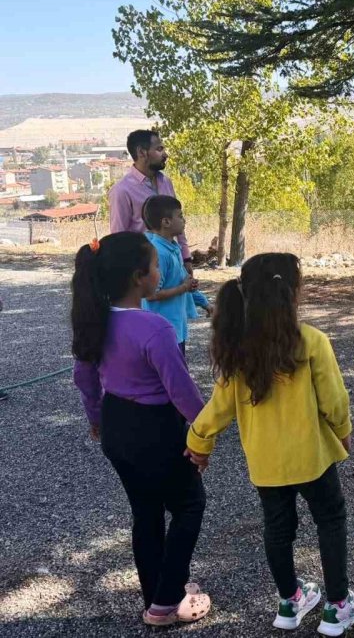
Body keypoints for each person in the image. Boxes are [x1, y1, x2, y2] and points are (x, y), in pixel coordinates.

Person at [185, 253, 354, 636]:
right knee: (330, 520)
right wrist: (343, 430)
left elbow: (218, 408)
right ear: (290, 293)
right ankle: (337, 606)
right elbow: (334, 400)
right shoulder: (312, 342)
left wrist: (199, 442)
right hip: (313, 458)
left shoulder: (238, 349)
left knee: (278, 529)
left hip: (266, 464)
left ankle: (290, 601)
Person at [71, 232, 211, 627]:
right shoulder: (154, 329)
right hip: (157, 430)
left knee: (145, 511)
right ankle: (166, 603)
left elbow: (84, 378)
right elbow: (180, 390)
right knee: (188, 505)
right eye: (154, 266)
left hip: (117, 426)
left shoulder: (95, 321)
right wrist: (205, 435)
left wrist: (96, 419)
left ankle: (158, 593)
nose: (159, 272)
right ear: (139, 277)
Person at [108, 130, 192, 274]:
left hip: (173, 263)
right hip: (145, 269)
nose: (165, 154)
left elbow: (177, 219)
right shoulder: (122, 190)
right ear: (142, 152)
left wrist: (186, 258)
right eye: (159, 149)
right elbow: (119, 238)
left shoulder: (166, 182)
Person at [141, 195, 211, 359]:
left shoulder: (173, 248)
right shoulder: (158, 252)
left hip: (176, 328)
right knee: (170, 378)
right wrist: (183, 288)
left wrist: (204, 303)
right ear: (166, 222)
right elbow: (151, 295)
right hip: (162, 331)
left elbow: (183, 282)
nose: (184, 220)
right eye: (180, 216)